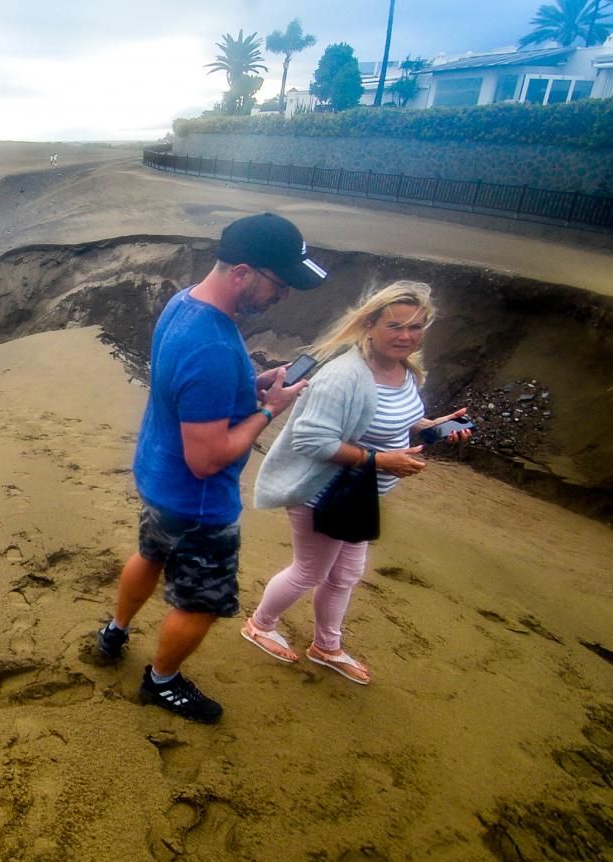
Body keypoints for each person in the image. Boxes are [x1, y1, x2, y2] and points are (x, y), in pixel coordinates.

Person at [94, 212, 328, 723]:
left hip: (159, 477)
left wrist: (253, 384)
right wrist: (270, 409)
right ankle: (162, 682)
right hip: (197, 502)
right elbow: (209, 458)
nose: (284, 295)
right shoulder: (215, 346)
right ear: (243, 272)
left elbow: (189, 390)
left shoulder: (184, 305)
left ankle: (114, 632)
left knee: (149, 554)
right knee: (199, 602)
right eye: (280, 283)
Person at [242, 281, 471, 685]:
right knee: (310, 570)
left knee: (346, 574)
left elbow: (398, 420)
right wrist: (380, 460)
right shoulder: (343, 375)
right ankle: (260, 624)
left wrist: (433, 427)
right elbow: (310, 439)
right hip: (323, 492)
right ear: (369, 325)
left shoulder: (406, 370)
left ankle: (326, 646)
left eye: (415, 327)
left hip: (360, 495)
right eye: (395, 326)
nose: (405, 336)